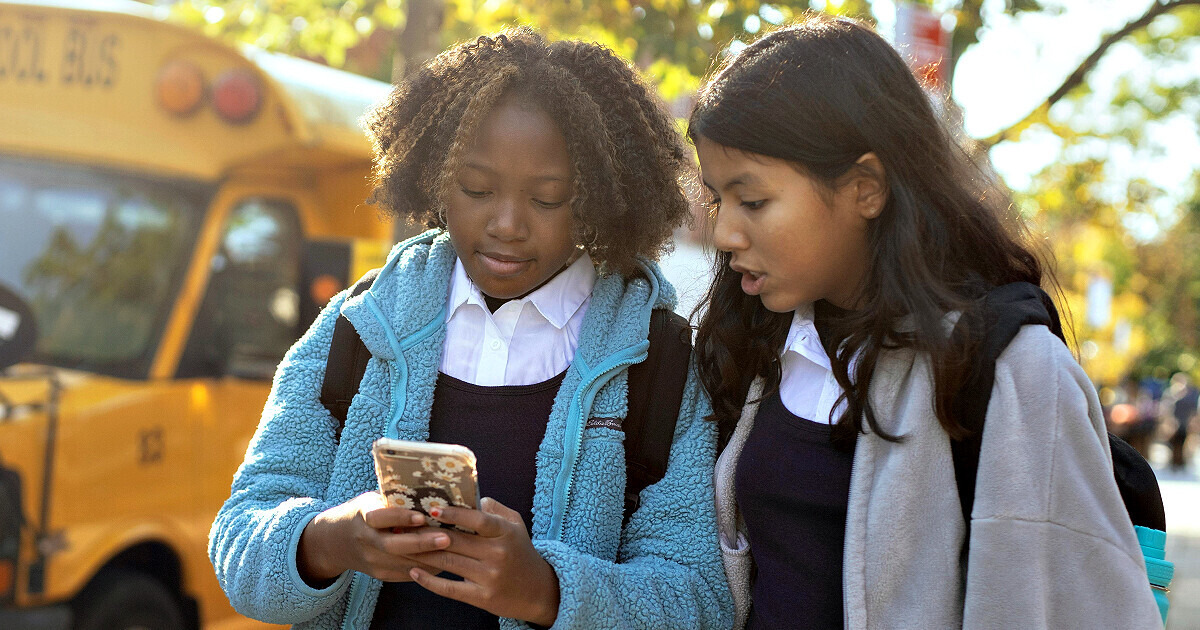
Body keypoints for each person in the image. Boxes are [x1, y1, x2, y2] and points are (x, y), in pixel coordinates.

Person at [208, 29, 731, 630]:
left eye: (548, 198)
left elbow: (698, 602)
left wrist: (545, 591)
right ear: (433, 177)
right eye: (477, 189)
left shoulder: (657, 363)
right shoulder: (357, 327)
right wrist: (331, 541)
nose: (506, 224)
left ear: (601, 198)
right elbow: (238, 538)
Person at [689, 14, 1163, 629]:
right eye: (715, 198)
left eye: (753, 201)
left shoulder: (1009, 372)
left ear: (866, 187)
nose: (725, 232)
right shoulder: (755, 348)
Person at [1164, 372, 1197, 471]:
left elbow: (1192, 411)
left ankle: (1181, 462)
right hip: (1173, 423)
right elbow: (1167, 409)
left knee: (1182, 444)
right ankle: (1173, 462)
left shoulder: (1190, 395)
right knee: (1172, 444)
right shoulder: (1170, 394)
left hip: (1184, 423)